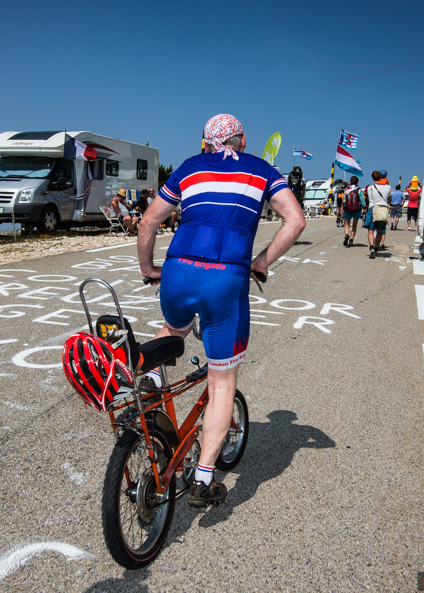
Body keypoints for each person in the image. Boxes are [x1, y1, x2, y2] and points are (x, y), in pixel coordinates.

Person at [137, 114, 305, 507]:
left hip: (178, 270)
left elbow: (148, 223)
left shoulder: (189, 168)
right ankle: (203, 479)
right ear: (241, 139)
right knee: (222, 383)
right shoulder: (263, 170)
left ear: (207, 143)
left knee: (173, 331)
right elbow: (294, 221)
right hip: (225, 278)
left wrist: (149, 269)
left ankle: (148, 377)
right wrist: (261, 262)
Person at [366, 170, 391, 259]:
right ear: (381, 177)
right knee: (380, 230)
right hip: (383, 209)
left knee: (371, 230)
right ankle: (376, 248)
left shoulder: (370, 188)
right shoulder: (388, 187)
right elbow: (389, 199)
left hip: (373, 208)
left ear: (372, 178)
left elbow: (369, 199)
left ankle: (372, 247)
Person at [342, 176, 362, 247]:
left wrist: (342, 209)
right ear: (357, 182)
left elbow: (344, 200)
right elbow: (362, 201)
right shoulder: (359, 190)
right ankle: (351, 240)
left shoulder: (347, 189)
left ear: (350, 181)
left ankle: (347, 234)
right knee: (354, 225)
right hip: (357, 209)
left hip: (347, 209)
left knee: (346, 224)